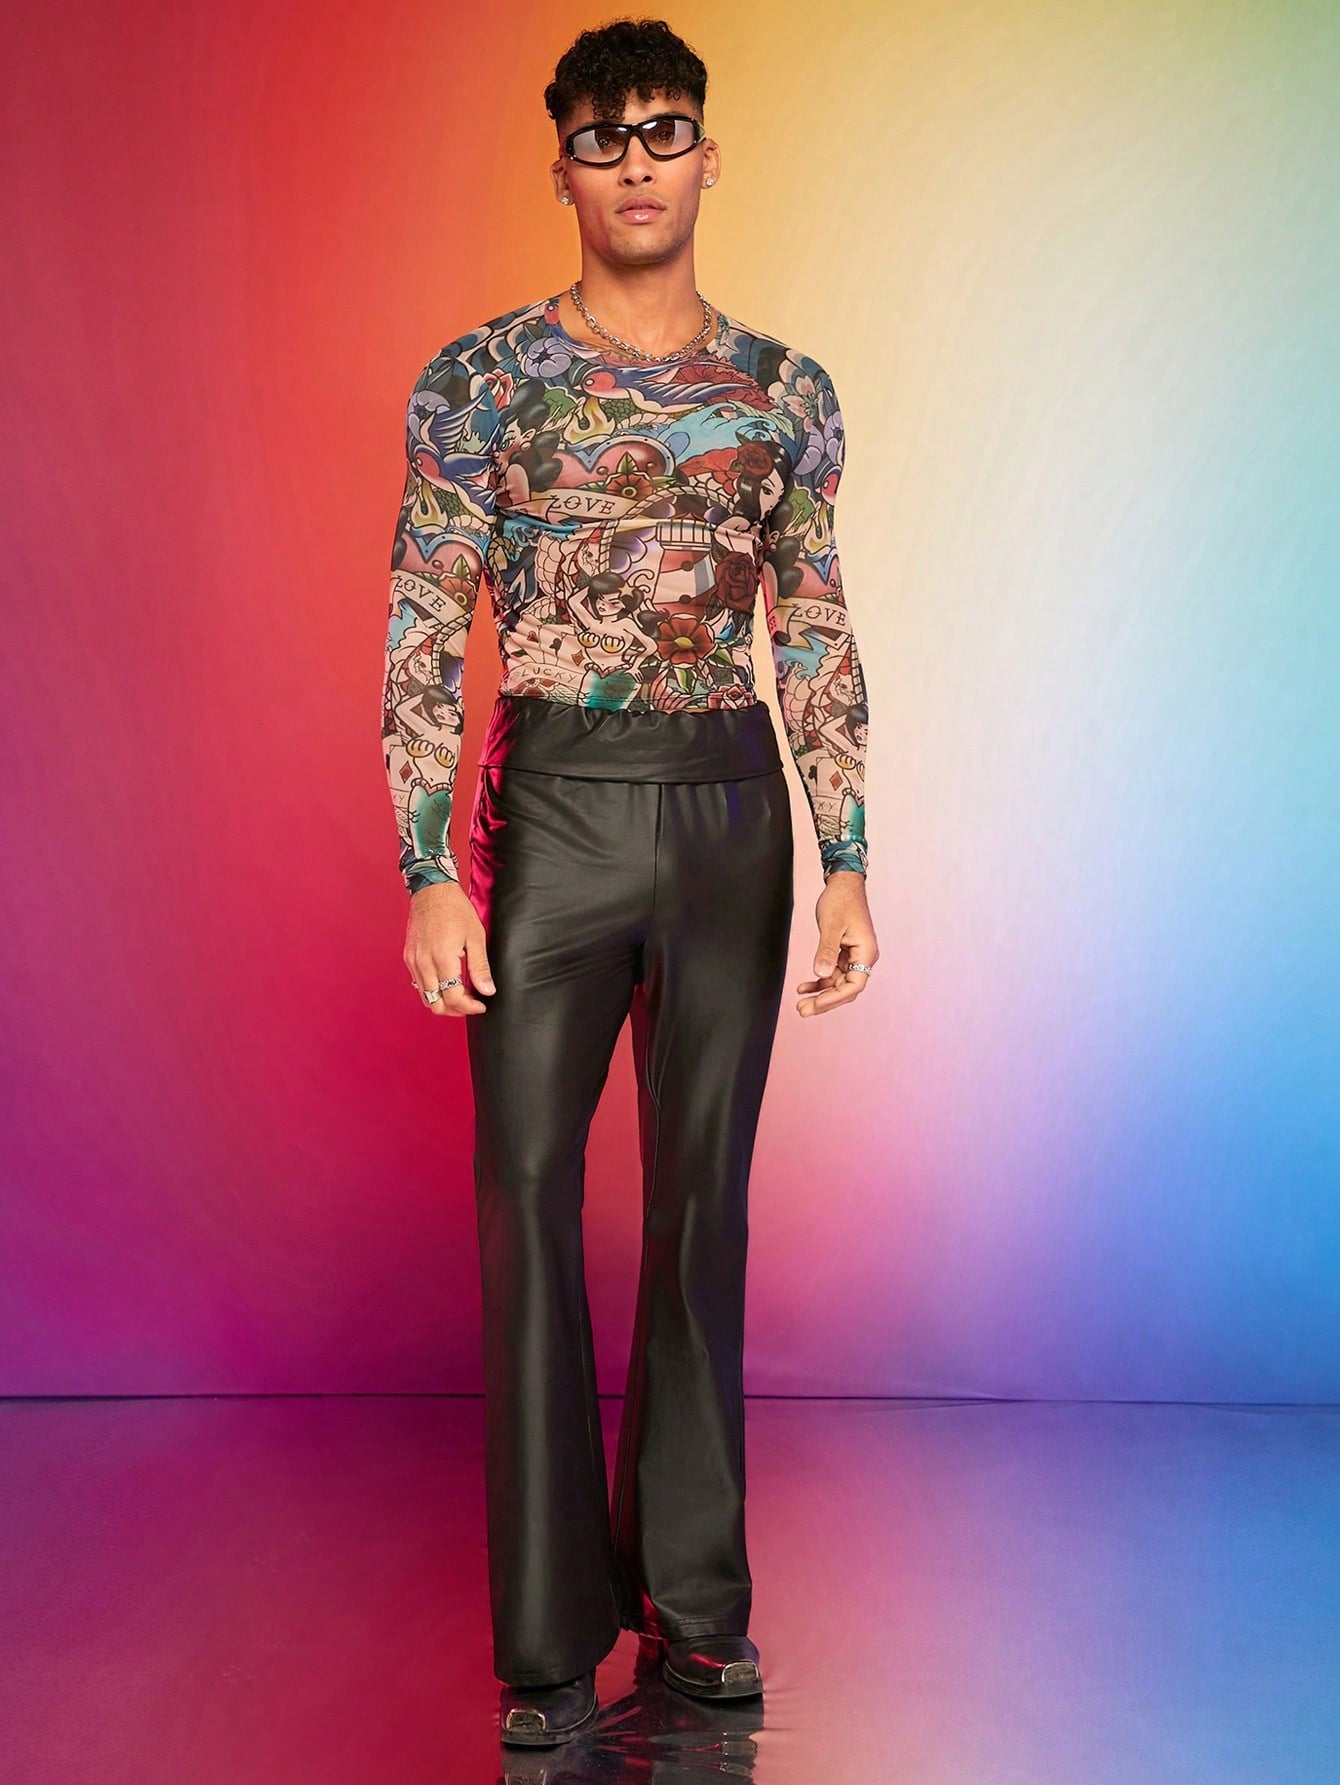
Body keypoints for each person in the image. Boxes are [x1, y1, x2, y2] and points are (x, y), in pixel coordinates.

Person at [381, 17, 880, 1749]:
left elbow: (813, 625)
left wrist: (849, 855)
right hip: (557, 813)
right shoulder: (480, 380)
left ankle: (698, 1602)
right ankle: (546, 1642)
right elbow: (423, 623)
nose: (639, 160)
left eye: (666, 129)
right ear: (565, 169)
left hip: (732, 810)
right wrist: (428, 866)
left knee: (700, 1209)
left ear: (708, 153)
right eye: (605, 136)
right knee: (526, 1198)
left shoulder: (787, 391)